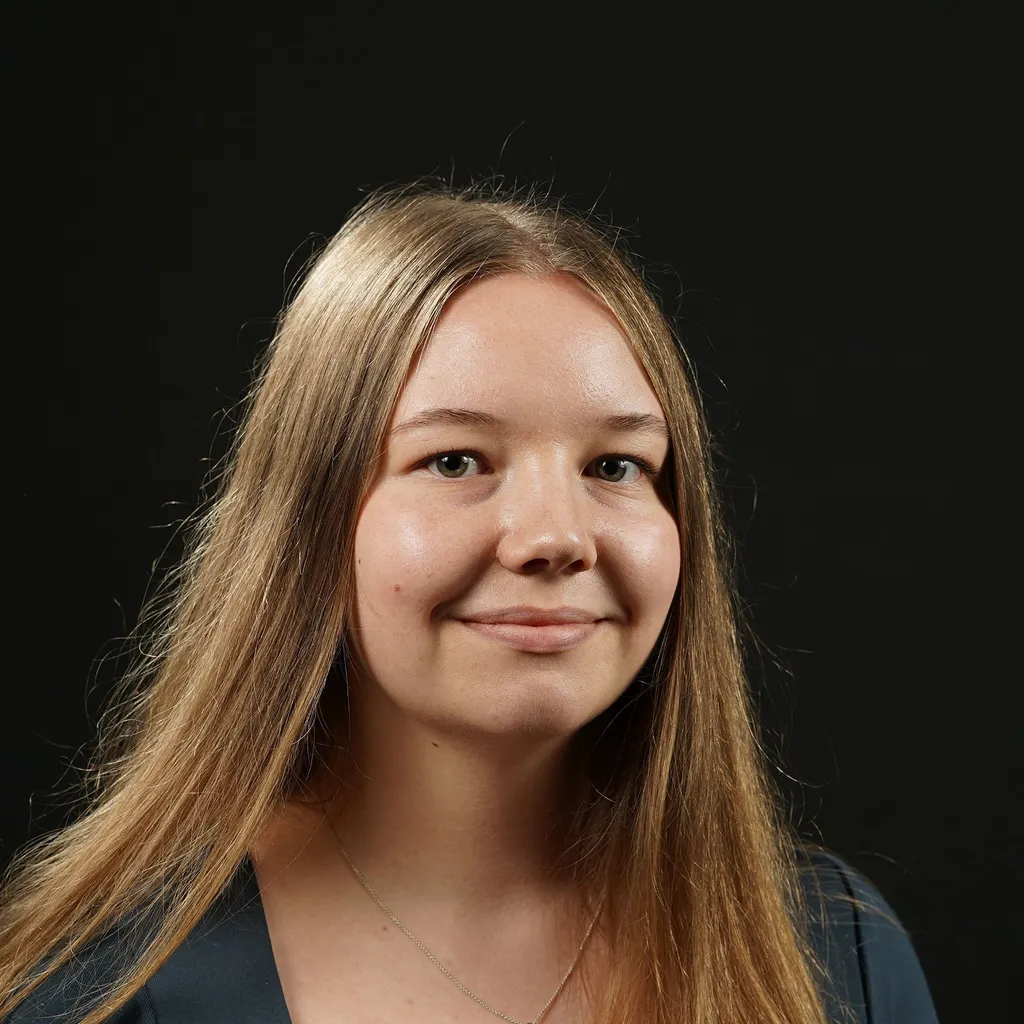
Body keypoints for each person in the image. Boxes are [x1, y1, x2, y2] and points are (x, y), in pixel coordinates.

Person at [0, 180, 940, 1024]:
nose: (555, 536)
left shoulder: (838, 958)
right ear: (309, 526)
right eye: (455, 460)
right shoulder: (98, 988)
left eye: (616, 465)